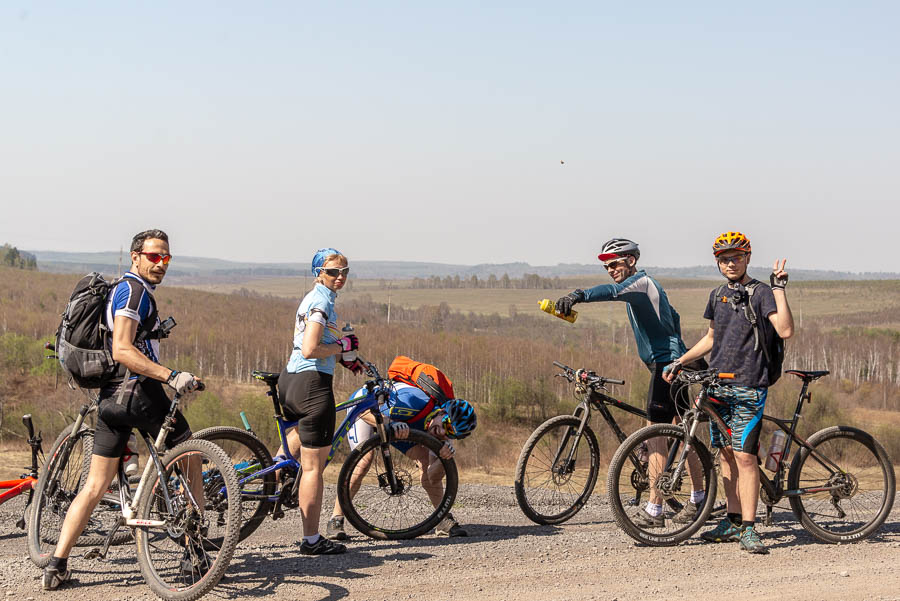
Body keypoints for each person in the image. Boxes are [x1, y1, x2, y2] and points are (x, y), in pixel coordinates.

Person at [43, 229, 203, 590]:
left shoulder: (127, 290)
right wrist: (171, 375)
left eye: (166, 257)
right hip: (139, 393)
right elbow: (123, 349)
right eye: (153, 256)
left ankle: (56, 566)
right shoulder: (133, 291)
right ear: (135, 256)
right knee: (192, 455)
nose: (160, 263)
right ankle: (196, 554)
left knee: (95, 484)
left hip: (111, 398)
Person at [555, 237, 706, 526]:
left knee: (656, 436)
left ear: (631, 261)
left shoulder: (640, 284)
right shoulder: (642, 289)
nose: (611, 270)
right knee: (684, 433)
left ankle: (655, 510)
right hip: (670, 364)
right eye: (607, 267)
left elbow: (612, 291)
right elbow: (671, 319)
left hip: (667, 367)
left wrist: (577, 295)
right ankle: (698, 498)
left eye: (615, 263)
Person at [663, 231, 794, 554]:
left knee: (745, 458)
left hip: (750, 386)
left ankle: (749, 528)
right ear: (718, 263)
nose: (730, 263)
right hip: (718, 385)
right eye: (724, 259)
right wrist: (681, 360)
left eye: (736, 257)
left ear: (748, 257)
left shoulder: (761, 293)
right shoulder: (717, 295)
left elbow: (786, 330)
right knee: (724, 455)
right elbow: (711, 338)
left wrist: (779, 289)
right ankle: (732, 520)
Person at [276, 248, 362, 555]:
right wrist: (342, 345)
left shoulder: (311, 298)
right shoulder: (322, 301)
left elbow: (311, 346)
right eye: (333, 272)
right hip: (312, 385)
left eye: (345, 272)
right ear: (318, 273)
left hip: (291, 380)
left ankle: (274, 480)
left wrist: (346, 359)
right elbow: (311, 348)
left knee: (292, 446)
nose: (340, 277)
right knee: (313, 469)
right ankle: (311, 540)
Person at [324, 376, 477, 540]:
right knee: (364, 461)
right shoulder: (412, 402)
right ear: (442, 411)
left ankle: (442, 519)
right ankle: (336, 519)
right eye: (446, 424)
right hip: (370, 409)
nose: (443, 432)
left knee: (426, 462)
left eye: (452, 433)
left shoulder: (443, 434)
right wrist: (389, 422)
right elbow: (362, 411)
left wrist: (442, 459)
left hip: (402, 425)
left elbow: (432, 477)